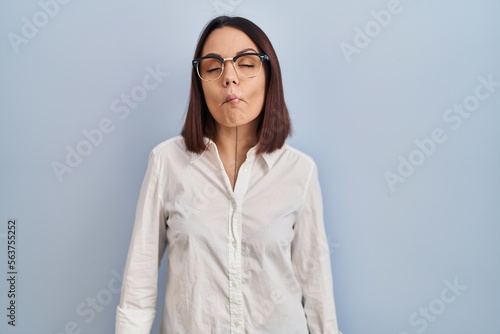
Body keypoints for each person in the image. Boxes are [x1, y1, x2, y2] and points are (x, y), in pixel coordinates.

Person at [115, 15, 339, 334]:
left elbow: (316, 290)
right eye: (212, 67)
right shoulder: (166, 162)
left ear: (269, 75)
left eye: (246, 64)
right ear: (199, 82)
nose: (229, 78)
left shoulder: (300, 172)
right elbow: (138, 288)